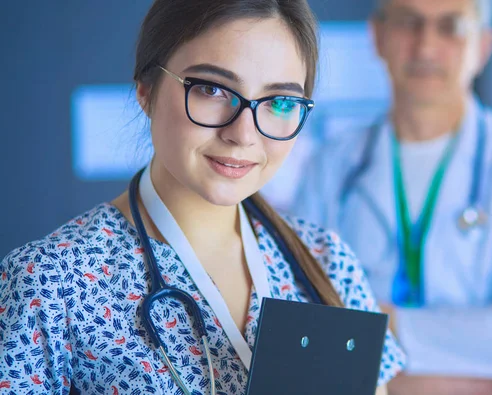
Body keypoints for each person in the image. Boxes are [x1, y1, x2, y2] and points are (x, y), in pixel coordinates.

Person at [0, 1, 406, 394]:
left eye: (280, 101)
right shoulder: (50, 283)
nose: (244, 134)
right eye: (212, 89)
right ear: (146, 89)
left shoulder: (327, 264)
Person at [293, 0, 492, 394]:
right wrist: (465, 361)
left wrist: (377, 327)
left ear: (483, 46)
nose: (425, 47)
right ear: (377, 36)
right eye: (409, 23)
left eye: (451, 27)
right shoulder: (332, 165)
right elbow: (304, 323)